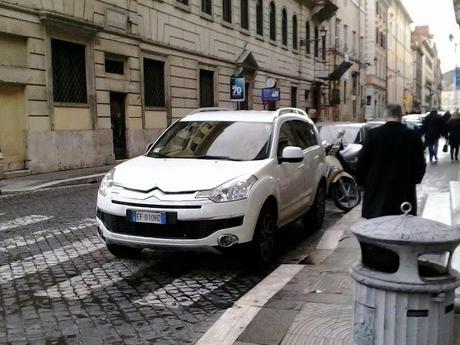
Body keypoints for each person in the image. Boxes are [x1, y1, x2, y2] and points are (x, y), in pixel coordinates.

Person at [356, 104, 426, 219]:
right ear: (401, 116)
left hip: (377, 187)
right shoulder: (412, 135)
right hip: (404, 189)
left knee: (376, 225)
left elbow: (363, 161)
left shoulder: (374, 134)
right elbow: (420, 163)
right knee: (402, 223)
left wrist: (361, 182)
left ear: (385, 116)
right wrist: (415, 179)